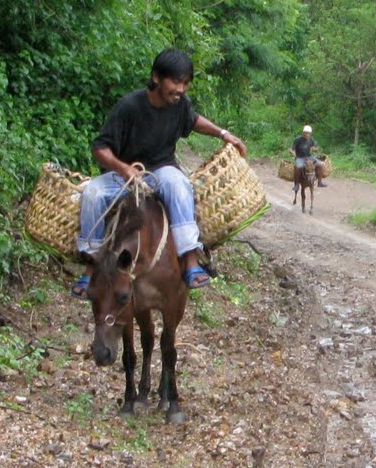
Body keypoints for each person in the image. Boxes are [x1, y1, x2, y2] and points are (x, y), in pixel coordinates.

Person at [72, 49, 247, 296]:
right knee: (92, 193)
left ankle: (190, 260)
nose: (181, 88)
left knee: (179, 185)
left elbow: (193, 120)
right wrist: (124, 168)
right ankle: (92, 266)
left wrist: (223, 134)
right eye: (175, 81)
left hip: (160, 171)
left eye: (185, 83)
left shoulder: (180, 105)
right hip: (124, 176)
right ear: (156, 77)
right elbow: (100, 148)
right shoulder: (129, 106)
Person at [291, 125, 319, 193]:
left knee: (320, 164)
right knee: (298, 167)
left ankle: (319, 180)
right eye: (306, 133)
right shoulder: (298, 139)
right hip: (300, 157)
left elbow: (314, 147)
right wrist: (293, 153)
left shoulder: (311, 139)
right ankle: (296, 184)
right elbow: (292, 149)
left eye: (308, 133)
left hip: (309, 157)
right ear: (303, 133)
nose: (307, 134)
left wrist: (315, 149)